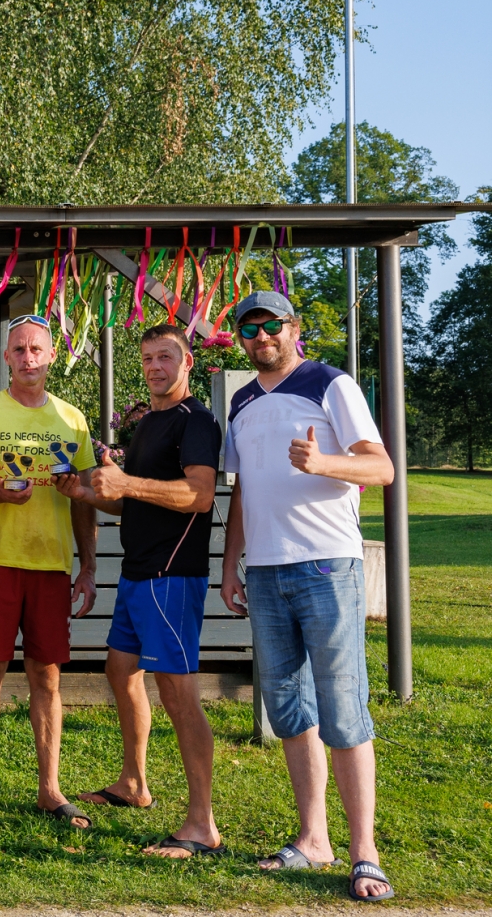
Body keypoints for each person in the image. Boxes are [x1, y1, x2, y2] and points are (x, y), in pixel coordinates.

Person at [218, 291, 396, 901]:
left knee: (343, 709)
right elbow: (242, 489)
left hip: (326, 567)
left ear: (293, 328)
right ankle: (314, 839)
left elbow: (381, 468)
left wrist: (324, 463)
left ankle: (365, 852)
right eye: (250, 330)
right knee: (290, 709)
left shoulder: (330, 384)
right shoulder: (242, 401)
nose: (261, 337)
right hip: (265, 573)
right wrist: (231, 565)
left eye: (272, 325)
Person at [56, 325, 224, 857]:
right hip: (137, 573)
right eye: (148, 358)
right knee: (120, 670)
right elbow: (132, 501)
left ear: (188, 362)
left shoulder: (197, 420)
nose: (155, 367)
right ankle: (134, 783)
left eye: (166, 357)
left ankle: (202, 824)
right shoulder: (150, 421)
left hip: (172, 574)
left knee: (177, 693)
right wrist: (86, 492)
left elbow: (199, 495)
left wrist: (126, 481)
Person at [0, 313, 98, 832]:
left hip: (50, 564)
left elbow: (83, 500)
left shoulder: (73, 420)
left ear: (51, 356)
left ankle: (50, 789)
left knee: (47, 676)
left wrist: (88, 566)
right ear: (6, 357)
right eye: (19, 350)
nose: (28, 357)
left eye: (36, 349)